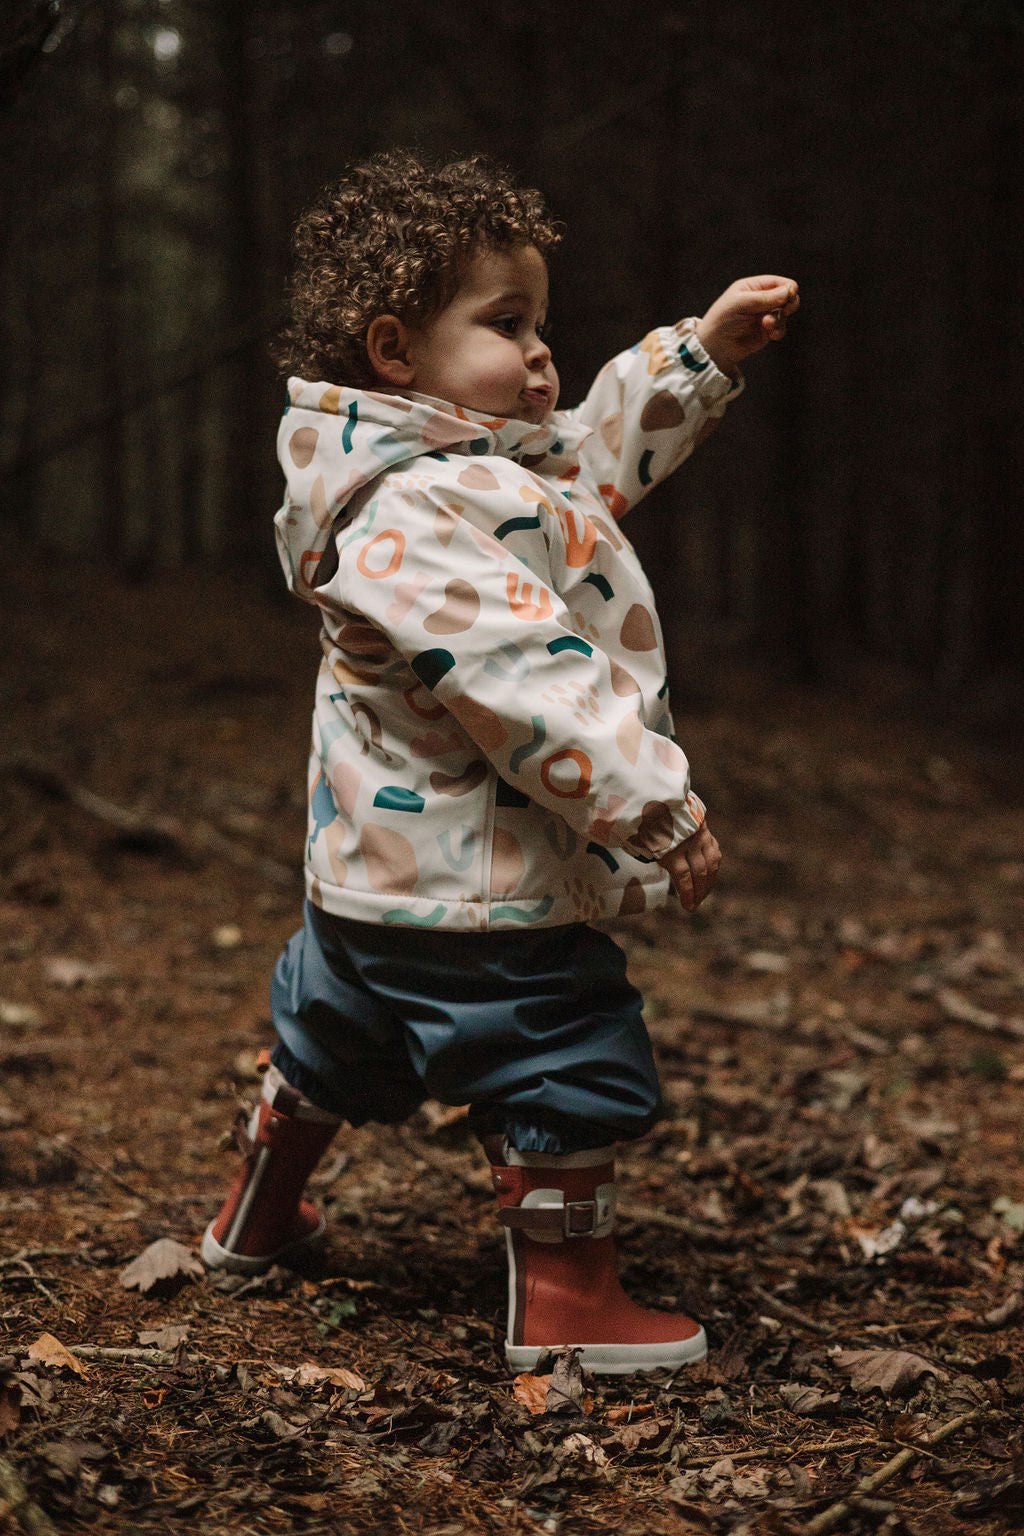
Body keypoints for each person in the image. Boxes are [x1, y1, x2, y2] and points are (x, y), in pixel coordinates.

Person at [201, 150, 798, 1375]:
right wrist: (653, 802)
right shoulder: (413, 509)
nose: (542, 355)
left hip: (370, 882)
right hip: (481, 891)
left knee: (331, 1031)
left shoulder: (466, 472)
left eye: (544, 324)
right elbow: (520, 673)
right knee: (563, 1045)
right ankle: (567, 1300)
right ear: (391, 349)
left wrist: (699, 358)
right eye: (507, 324)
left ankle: (255, 1214)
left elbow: (587, 460)